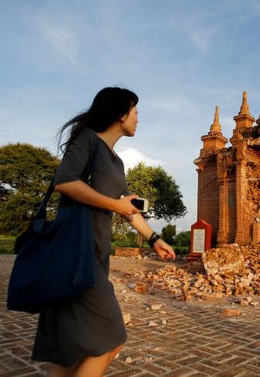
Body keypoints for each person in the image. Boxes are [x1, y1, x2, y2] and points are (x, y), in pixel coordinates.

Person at [32, 86, 176, 377]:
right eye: (135, 112)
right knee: (111, 340)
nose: (138, 119)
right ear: (121, 114)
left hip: (94, 254)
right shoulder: (86, 141)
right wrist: (115, 204)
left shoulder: (115, 161)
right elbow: (65, 182)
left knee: (67, 347)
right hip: (74, 253)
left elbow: (128, 209)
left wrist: (155, 238)